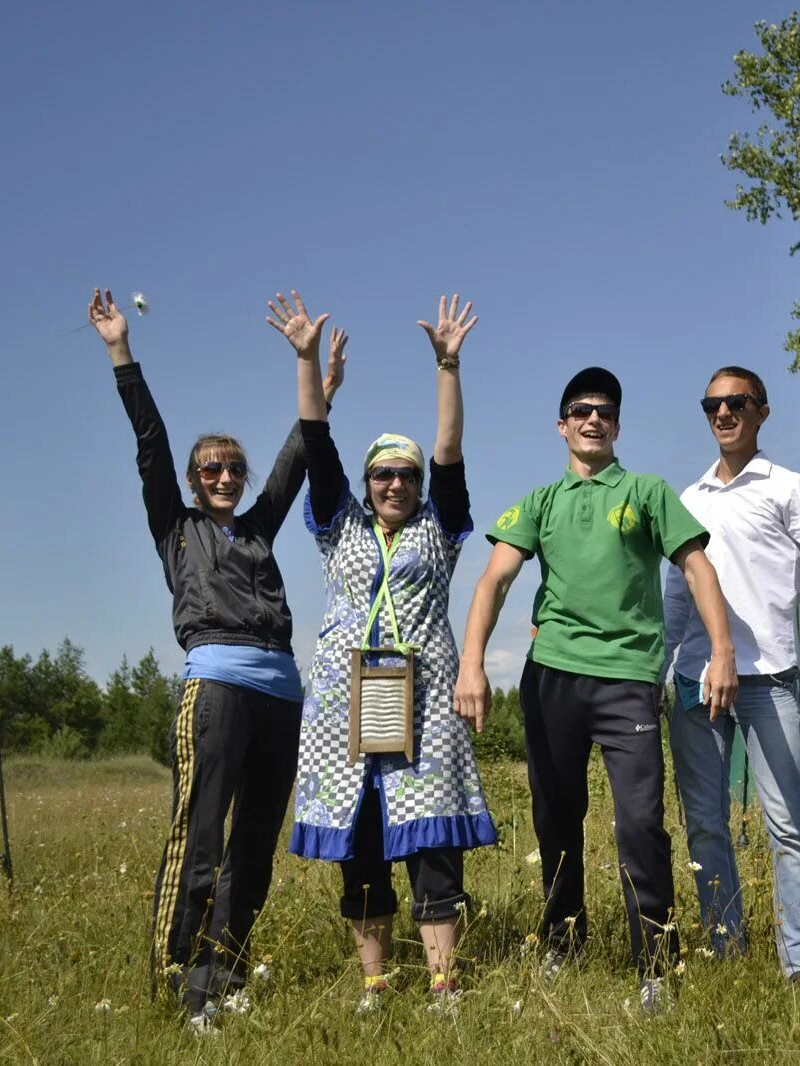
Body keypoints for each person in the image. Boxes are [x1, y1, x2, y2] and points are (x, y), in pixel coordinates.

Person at [87, 287, 341, 1028]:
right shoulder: (177, 527)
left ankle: (226, 972)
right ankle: (182, 979)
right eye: (211, 469)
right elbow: (150, 445)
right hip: (218, 691)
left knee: (254, 847)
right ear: (195, 481)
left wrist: (310, 373)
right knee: (200, 840)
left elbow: (299, 455)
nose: (224, 476)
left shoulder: (258, 529)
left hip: (280, 697)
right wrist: (119, 351)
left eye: (232, 467)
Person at [454, 366, 738, 1012]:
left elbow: (697, 568)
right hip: (551, 675)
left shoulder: (645, 491)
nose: (592, 419)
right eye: (580, 410)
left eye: (604, 411)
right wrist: (472, 664)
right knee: (556, 818)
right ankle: (563, 940)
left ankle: (656, 965)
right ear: (561, 425)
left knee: (639, 823)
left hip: (628, 680)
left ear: (615, 425)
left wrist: (721, 652)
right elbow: (492, 582)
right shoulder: (538, 502)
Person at [272, 292, 497, 1014]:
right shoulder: (339, 527)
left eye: (405, 475)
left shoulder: (442, 527)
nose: (396, 483)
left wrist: (448, 364)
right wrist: (307, 361)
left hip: (424, 703)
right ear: (367, 487)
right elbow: (315, 441)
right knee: (362, 843)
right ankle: (374, 984)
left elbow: (450, 447)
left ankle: (443, 985)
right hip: (345, 706)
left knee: (432, 844)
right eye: (383, 476)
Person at [661, 366, 800, 985]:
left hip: (768, 679)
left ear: (762, 411)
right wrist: (658, 672)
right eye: (712, 404)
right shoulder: (690, 500)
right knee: (705, 825)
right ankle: (726, 951)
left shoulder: (789, 488)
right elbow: (676, 600)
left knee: (786, 825)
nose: (723, 413)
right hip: (694, 682)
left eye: (737, 403)